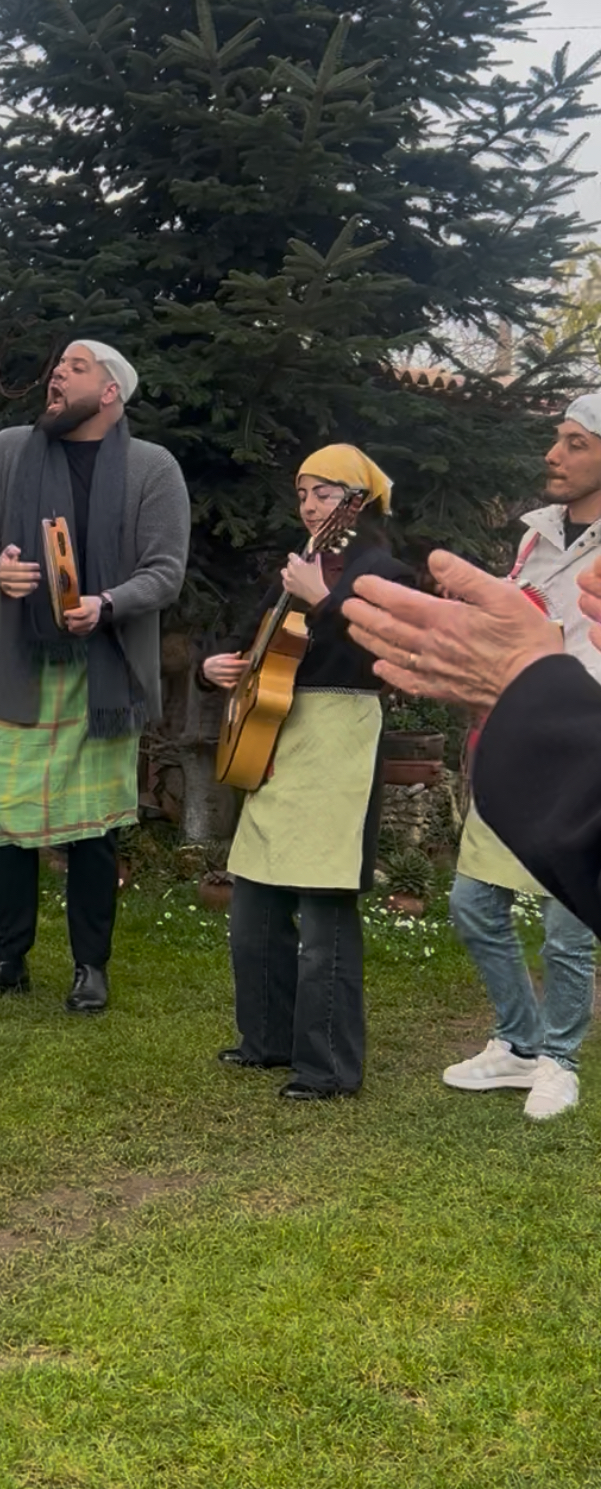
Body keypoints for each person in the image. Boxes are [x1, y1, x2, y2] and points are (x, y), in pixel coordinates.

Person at [0, 340, 189, 1014]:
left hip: (103, 675)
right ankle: (9, 960)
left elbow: (166, 571)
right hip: (21, 671)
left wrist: (108, 604)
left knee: (92, 831)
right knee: (5, 825)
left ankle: (90, 967)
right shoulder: (6, 452)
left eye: (75, 368)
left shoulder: (152, 469)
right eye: (56, 366)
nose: (56, 373)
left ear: (110, 391)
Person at [200, 445, 411, 1101]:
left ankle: (329, 1068)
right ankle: (267, 1040)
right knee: (255, 903)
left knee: (323, 914)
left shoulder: (381, 568)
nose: (310, 504)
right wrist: (221, 665)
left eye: (322, 492)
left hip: (339, 740)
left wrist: (328, 599)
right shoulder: (302, 566)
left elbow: (392, 643)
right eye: (302, 494)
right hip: (279, 742)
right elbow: (251, 637)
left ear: (358, 500)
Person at [438, 395, 601, 1118]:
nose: (553, 456)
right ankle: (519, 1041)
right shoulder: (535, 538)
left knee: (569, 922)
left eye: (574, 443)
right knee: (474, 902)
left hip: (589, 744)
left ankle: (560, 1060)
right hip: (519, 736)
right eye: (556, 441)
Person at [344, 547, 601, 938]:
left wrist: (521, 681)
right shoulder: (535, 537)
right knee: (474, 905)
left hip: (560, 736)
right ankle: (519, 1005)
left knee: (566, 940)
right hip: (546, 745)